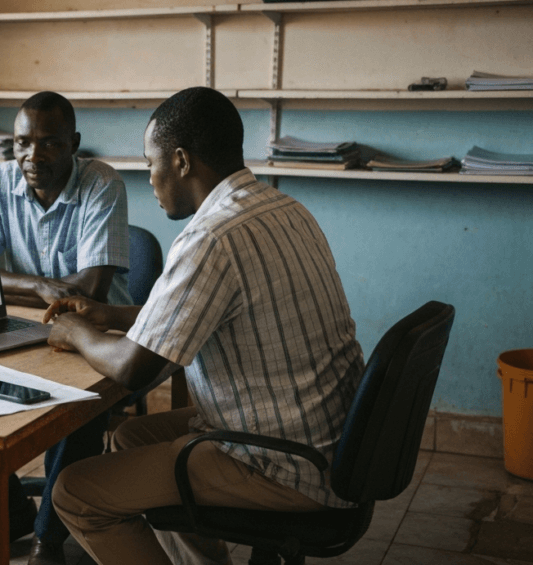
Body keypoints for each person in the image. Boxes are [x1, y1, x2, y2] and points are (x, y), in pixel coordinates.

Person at [43, 87, 366, 565]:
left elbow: (134, 370)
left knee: (75, 493)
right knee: (131, 437)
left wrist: (75, 332)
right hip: (330, 446)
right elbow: (206, 312)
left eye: (151, 162)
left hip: (281, 464)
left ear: (180, 161)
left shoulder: (211, 236)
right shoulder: (282, 208)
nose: (150, 179)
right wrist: (108, 316)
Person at [0, 91, 131, 565]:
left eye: (50, 144)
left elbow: (89, 290)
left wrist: (6, 283)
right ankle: (9, 514)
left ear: (74, 143)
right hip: (17, 326)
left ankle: (47, 536)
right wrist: (39, 286)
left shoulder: (102, 185)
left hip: (93, 334)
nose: (32, 157)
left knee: (76, 412)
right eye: (22, 144)